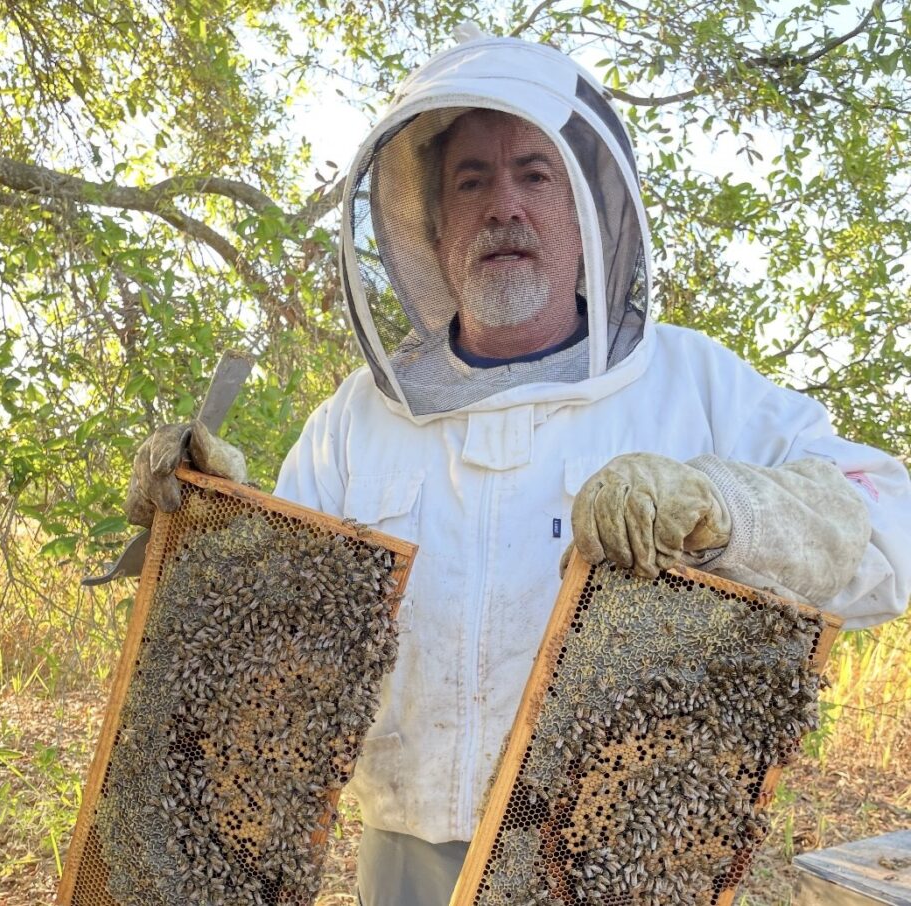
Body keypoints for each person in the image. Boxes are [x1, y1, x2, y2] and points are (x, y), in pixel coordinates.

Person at [126, 33, 911, 905]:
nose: (505, 204)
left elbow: (889, 527)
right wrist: (216, 524)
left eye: (535, 174)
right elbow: (272, 636)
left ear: (586, 212)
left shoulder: (698, 385)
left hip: (623, 870)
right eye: (472, 181)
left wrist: (727, 508)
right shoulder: (359, 418)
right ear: (432, 227)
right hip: (403, 864)